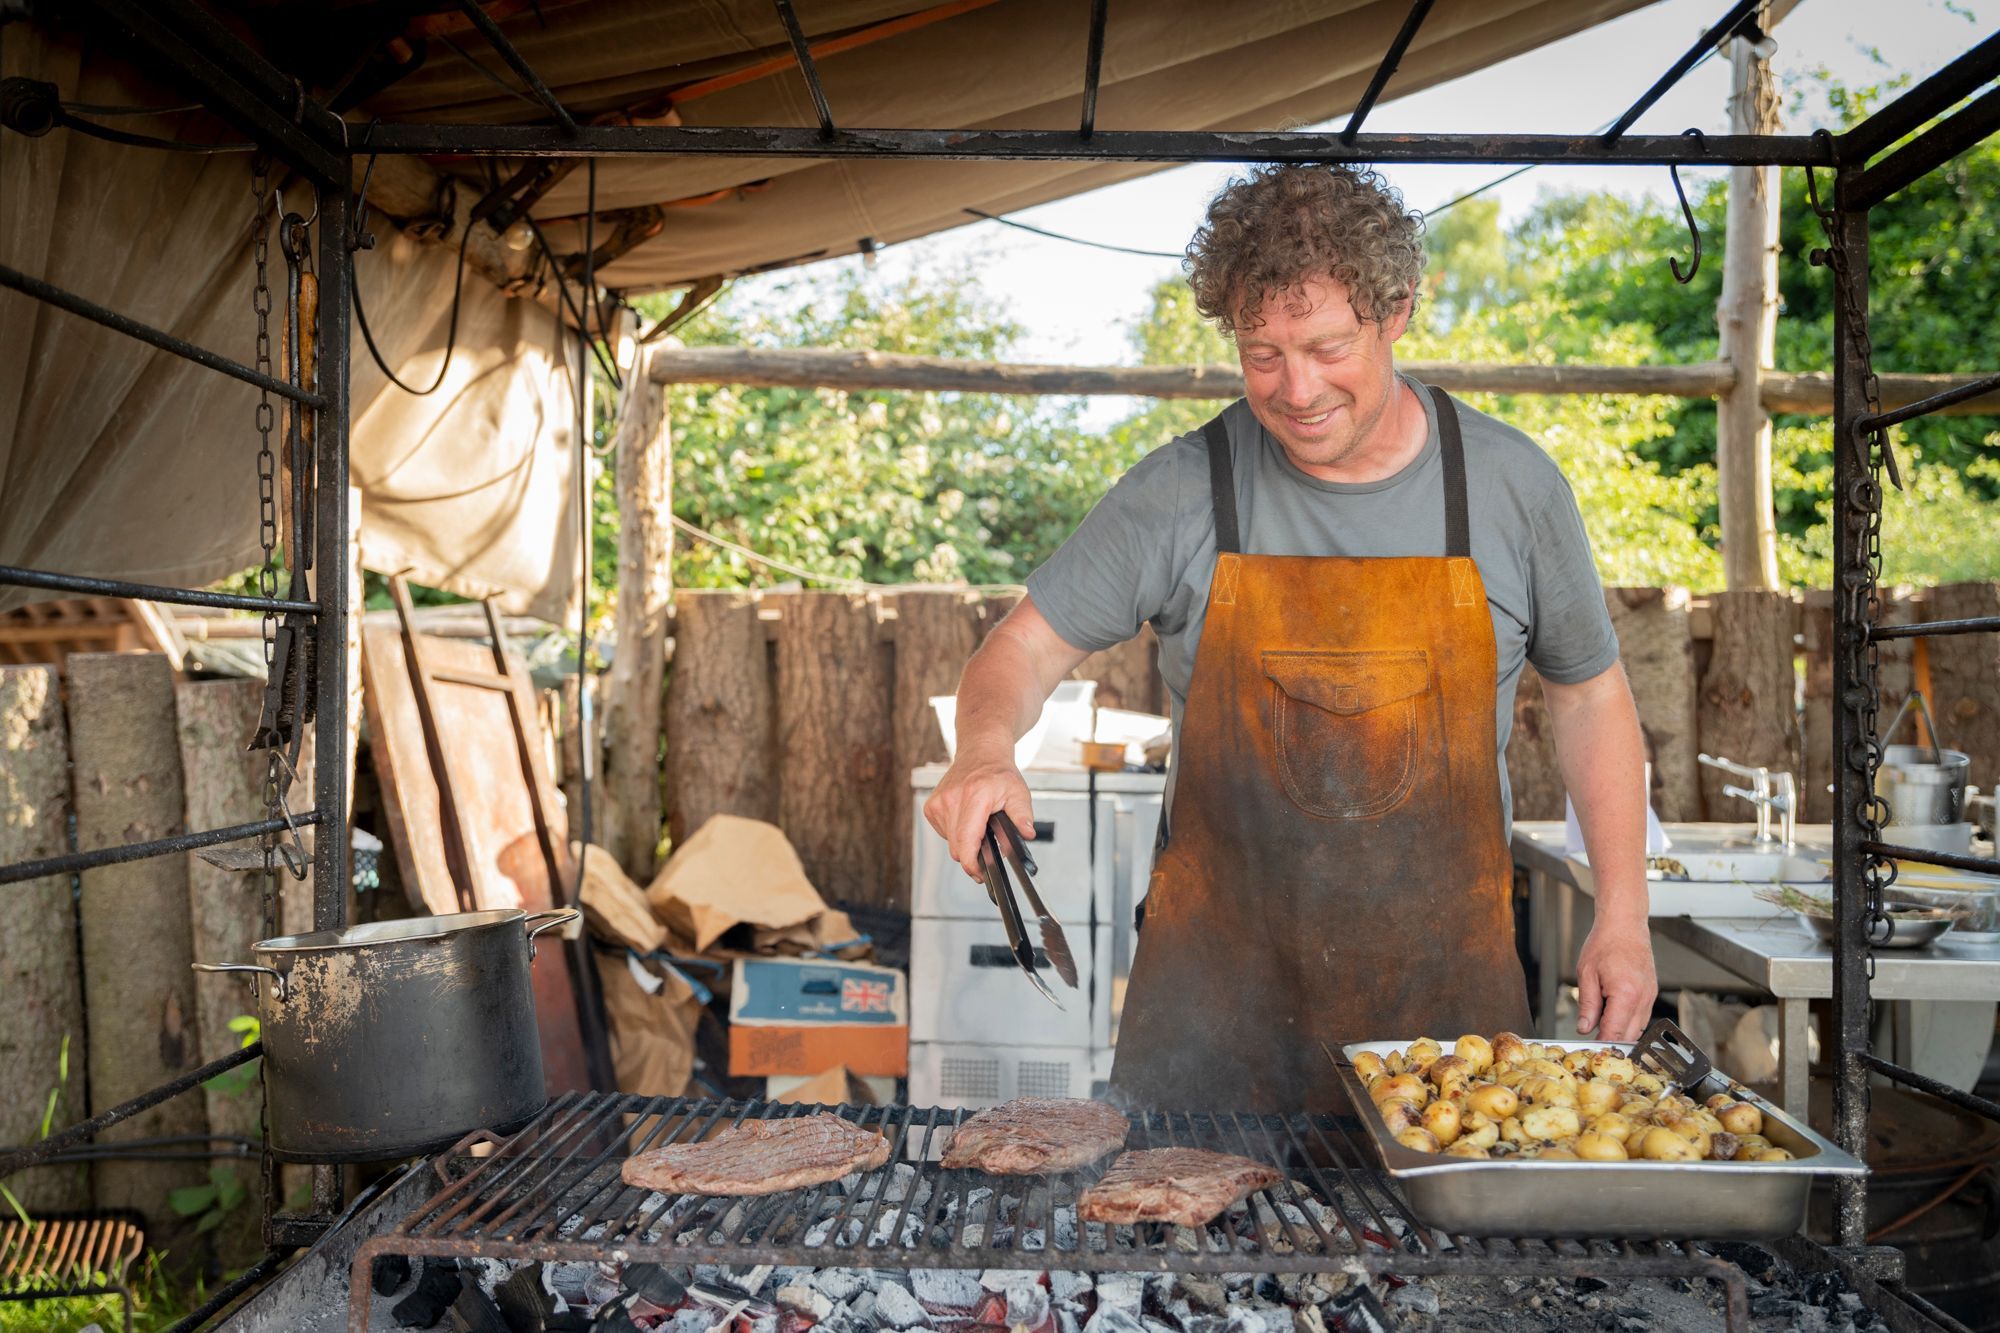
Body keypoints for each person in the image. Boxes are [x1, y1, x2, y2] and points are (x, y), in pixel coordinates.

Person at [923, 164, 1655, 1111]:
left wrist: (1624, 913)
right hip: (1211, 1033)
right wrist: (984, 750)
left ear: (1398, 311)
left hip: (1448, 1036)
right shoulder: (1183, 489)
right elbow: (1019, 649)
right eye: (1261, 352)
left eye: (1325, 346)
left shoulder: (1513, 488)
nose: (1296, 388)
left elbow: (1590, 694)